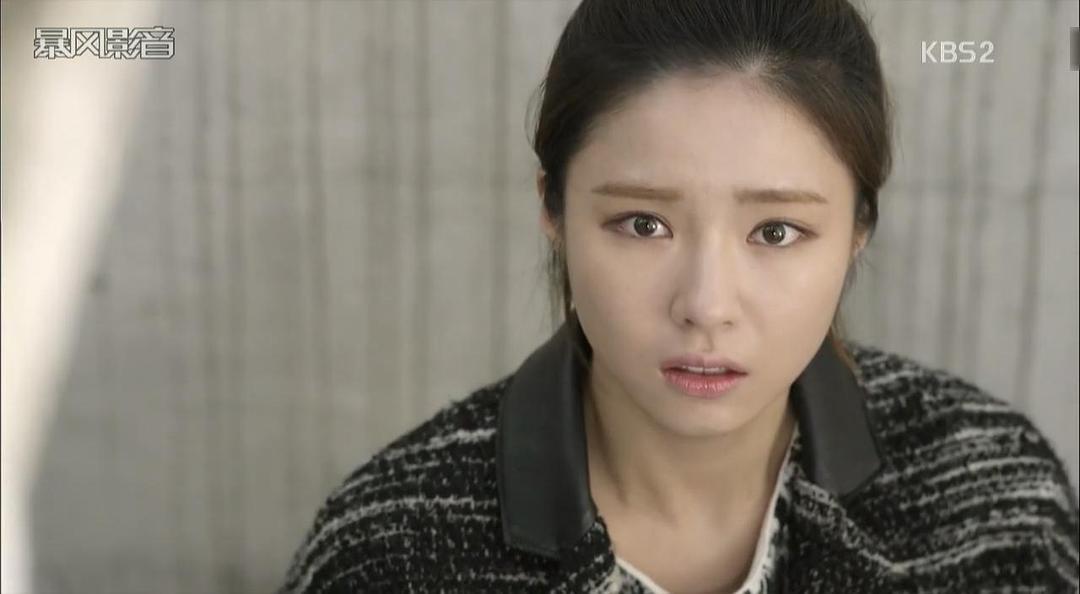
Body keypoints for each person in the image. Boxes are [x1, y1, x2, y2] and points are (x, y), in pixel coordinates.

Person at [280, 0, 1080, 591]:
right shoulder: (388, 552)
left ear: (858, 229)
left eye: (776, 231)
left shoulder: (995, 501)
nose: (705, 304)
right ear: (553, 209)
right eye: (642, 224)